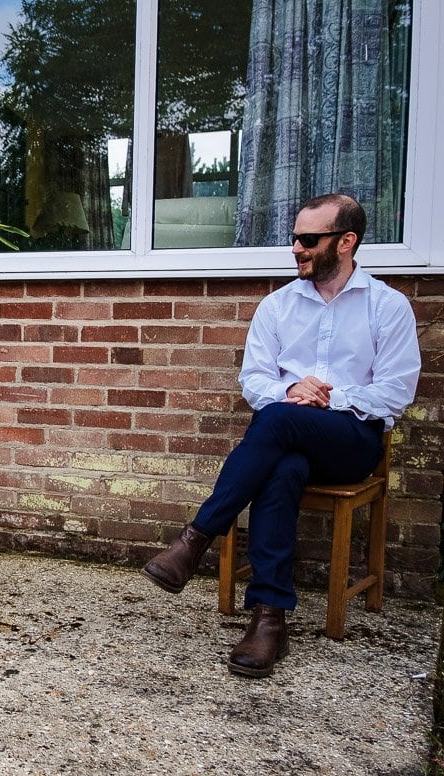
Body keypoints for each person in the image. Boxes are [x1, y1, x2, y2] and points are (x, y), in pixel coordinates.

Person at [141, 193, 420, 677]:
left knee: (277, 420)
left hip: (352, 442)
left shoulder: (387, 306)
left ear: (347, 242)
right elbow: (254, 381)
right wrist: (291, 387)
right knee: (281, 466)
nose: (297, 248)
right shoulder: (277, 306)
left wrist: (327, 397)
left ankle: (197, 537)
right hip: (287, 435)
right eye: (294, 238)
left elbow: (396, 392)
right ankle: (268, 619)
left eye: (309, 239)